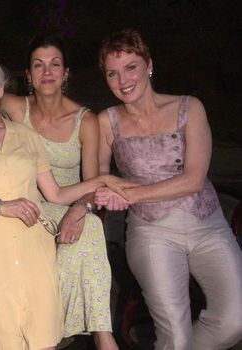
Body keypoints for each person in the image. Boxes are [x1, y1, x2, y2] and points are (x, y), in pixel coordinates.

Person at [0, 50, 129, 350]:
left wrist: (102, 180)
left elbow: (56, 194)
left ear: (0, 90)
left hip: (32, 247)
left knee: (44, 341)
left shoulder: (25, 136)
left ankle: (102, 330)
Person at [96, 28, 242, 349]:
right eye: (112, 73)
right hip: (151, 232)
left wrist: (129, 193)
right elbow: (97, 179)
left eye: (130, 67)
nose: (123, 80)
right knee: (174, 336)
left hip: (207, 225)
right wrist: (97, 196)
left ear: (148, 64)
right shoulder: (106, 122)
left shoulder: (190, 108)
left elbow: (194, 179)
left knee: (236, 319)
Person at [0, 32, 117, 349]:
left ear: (66, 74)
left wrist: (79, 211)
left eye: (55, 64)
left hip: (67, 205)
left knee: (89, 225)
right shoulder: (14, 108)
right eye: (38, 65)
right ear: (28, 75)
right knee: (91, 230)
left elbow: (92, 186)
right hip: (25, 209)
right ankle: (102, 338)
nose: (47, 71)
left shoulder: (85, 121)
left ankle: (48, 335)